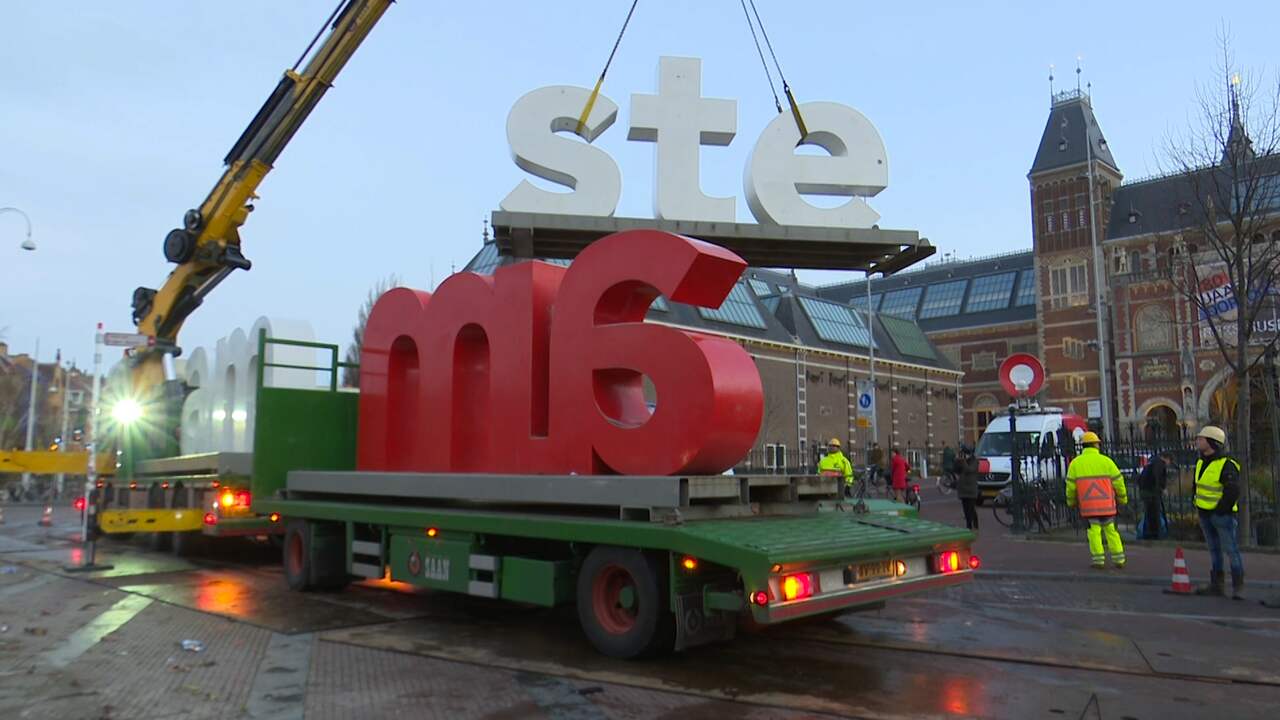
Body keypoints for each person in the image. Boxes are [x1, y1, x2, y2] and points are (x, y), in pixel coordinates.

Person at [1192, 426, 1244, 599]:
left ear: (1212, 442)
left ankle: (1238, 587)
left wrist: (1220, 510)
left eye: (1201, 439)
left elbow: (1232, 490)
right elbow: (1197, 486)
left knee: (1231, 550)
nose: (1198, 441)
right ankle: (1217, 585)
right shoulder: (1200, 461)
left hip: (1222, 516)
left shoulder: (1227, 464)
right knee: (1214, 550)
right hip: (1205, 513)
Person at [1065, 431, 1128, 569]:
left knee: (1093, 532)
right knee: (1111, 531)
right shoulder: (1107, 461)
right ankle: (1119, 559)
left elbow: (1070, 487)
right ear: (1096, 445)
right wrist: (1122, 498)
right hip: (1107, 505)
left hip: (1088, 507)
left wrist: (1071, 502)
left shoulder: (1075, 464)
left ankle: (1098, 560)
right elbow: (1119, 482)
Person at [1137, 450, 1173, 540]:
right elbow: (1157, 477)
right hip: (1152, 492)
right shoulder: (1159, 464)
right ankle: (1155, 534)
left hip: (1145, 491)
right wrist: (1161, 489)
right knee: (1154, 514)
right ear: (1167, 459)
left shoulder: (1152, 462)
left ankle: (1149, 533)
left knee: (1149, 513)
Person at [953, 444, 980, 531]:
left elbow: (969, 470)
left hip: (971, 489)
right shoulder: (961, 461)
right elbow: (956, 470)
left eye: (966, 453)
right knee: (965, 509)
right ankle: (968, 526)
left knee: (971, 508)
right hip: (963, 489)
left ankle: (975, 524)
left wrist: (963, 461)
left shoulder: (975, 461)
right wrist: (957, 461)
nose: (965, 455)